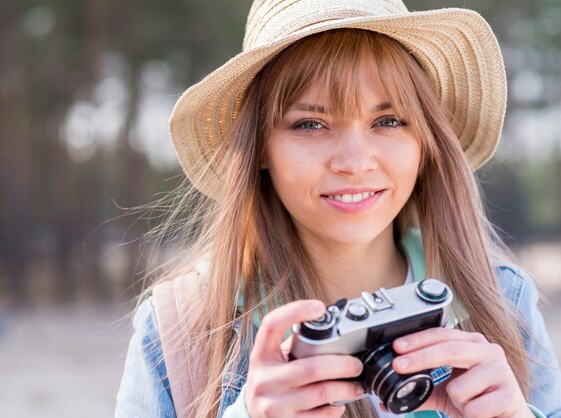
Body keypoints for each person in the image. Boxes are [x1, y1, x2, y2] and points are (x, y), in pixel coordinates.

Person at [115, 0, 561, 417]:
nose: (354, 162)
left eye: (388, 121)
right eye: (310, 124)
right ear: (260, 149)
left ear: (424, 141)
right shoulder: (182, 328)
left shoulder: (502, 301)